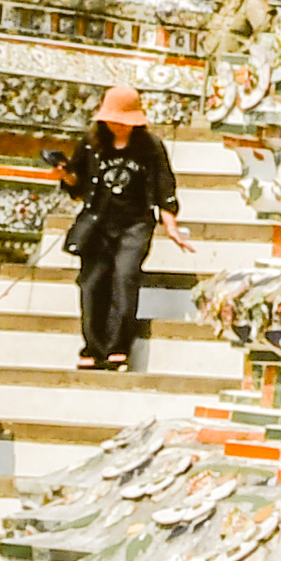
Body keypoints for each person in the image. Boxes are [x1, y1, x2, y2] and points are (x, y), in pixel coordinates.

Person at [58, 80, 175, 373]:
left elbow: (165, 186)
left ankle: (118, 345)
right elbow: (79, 184)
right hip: (97, 222)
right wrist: (66, 176)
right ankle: (93, 346)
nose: (119, 127)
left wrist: (171, 224)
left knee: (125, 277)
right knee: (92, 282)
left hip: (135, 223)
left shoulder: (150, 147)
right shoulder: (90, 144)